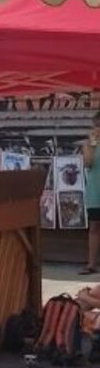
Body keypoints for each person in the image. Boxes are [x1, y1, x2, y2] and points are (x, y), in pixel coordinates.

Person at [82, 113, 100, 275]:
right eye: (96, 125)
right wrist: (93, 144)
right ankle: (91, 264)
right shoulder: (88, 145)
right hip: (95, 191)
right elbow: (88, 163)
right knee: (94, 227)